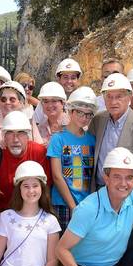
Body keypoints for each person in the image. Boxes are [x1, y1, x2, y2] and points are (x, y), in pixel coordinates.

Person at [90, 74, 133, 199]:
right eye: (109, 97)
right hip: (97, 191)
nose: (113, 102)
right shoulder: (98, 120)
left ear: (129, 97)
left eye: (119, 96)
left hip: (126, 194)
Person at [47, 87, 97, 229]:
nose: (84, 118)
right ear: (70, 110)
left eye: (88, 114)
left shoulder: (92, 140)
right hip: (63, 203)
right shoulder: (58, 139)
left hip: (86, 203)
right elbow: (57, 176)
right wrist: (73, 206)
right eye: (80, 112)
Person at [0, 111, 51, 211]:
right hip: (0, 213)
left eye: (20, 133)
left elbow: (47, 187)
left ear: (28, 136)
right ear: (3, 136)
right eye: (10, 133)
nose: (15, 139)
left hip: (32, 213)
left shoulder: (39, 152)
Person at [0, 81, 43, 153]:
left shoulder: (30, 122)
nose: (7, 102)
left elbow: (40, 149)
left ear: (21, 103)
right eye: (3, 99)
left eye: (12, 100)